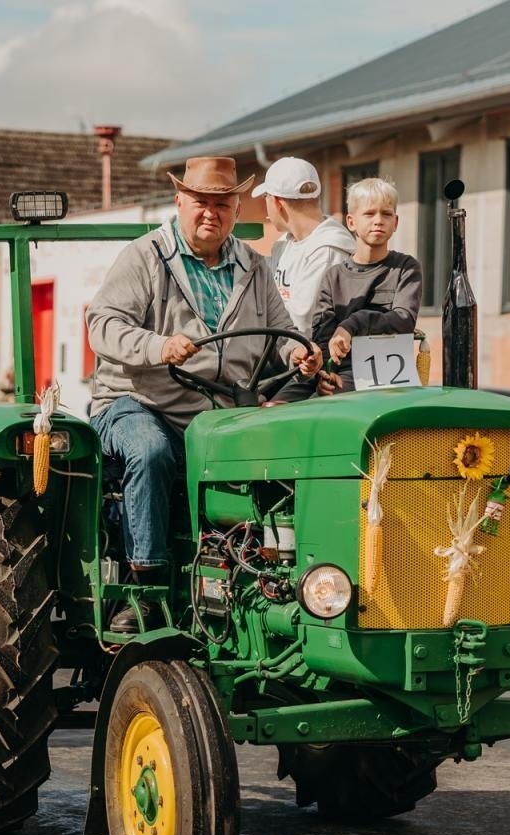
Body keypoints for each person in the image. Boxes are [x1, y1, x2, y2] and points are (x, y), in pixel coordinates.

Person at [86, 155, 320, 632]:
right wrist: (157, 346)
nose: (211, 213)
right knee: (149, 451)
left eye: (222, 204)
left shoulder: (253, 267)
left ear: (236, 209)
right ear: (179, 202)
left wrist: (301, 354)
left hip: (218, 415)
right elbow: (102, 325)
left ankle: (278, 581)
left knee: (296, 449)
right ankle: (144, 589)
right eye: (201, 202)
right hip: (140, 404)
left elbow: (281, 333)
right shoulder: (145, 257)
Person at [278, 177, 422, 400]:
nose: (378, 221)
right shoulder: (333, 276)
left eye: (386, 214)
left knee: (322, 406)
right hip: (330, 370)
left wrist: (352, 324)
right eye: (369, 214)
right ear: (351, 222)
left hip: (381, 374)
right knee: (273, 406)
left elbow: (404, 320)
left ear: (395, 222)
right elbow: (322, 334)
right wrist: (323, 375)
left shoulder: (405, 267)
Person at [254, 157, 355, 336]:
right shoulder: (285, 244)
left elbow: (302, 323)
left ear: (277, 203)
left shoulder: (328, 249)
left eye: (265, 197)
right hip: (283, 347)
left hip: (309, 351)